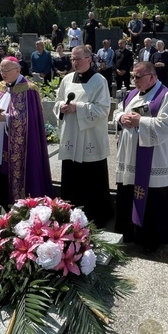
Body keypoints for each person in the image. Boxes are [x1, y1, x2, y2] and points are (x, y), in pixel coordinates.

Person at [114, 61, 168, 252]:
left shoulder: (165, 97)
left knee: (152, 200)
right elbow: (119, 109)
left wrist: (140, 121)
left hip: (152, 161)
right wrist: (121, 118)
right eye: (133, 76)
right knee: (128, 192)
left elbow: (165, 127)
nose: (134, 80)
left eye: (138, 77)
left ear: (152, 76)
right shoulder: (133, 93)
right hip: (130, 156)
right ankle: (130, 233)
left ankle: (152, 240)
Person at [0, 57, 53, 208]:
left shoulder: (29, 89)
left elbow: (29, 120)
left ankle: (17, 208)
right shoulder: (0, 87)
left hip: (17, 145)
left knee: (13, 175)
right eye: (1, 70)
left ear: (18, 70)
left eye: (6, 70)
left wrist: (4, 118)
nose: (3, 74)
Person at [53, 45, 113, 227]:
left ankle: (96, 217)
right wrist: (62, 107)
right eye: (72, 59)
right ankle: (70, 217)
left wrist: (77, 108)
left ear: (89, 59)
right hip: (71, 136)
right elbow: (57, 102)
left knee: (92, 180)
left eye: (78, 59)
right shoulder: (67, 79)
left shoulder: (99, 81)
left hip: (90, 139)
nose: (75, 62)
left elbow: (103, 109)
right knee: (71, 179)